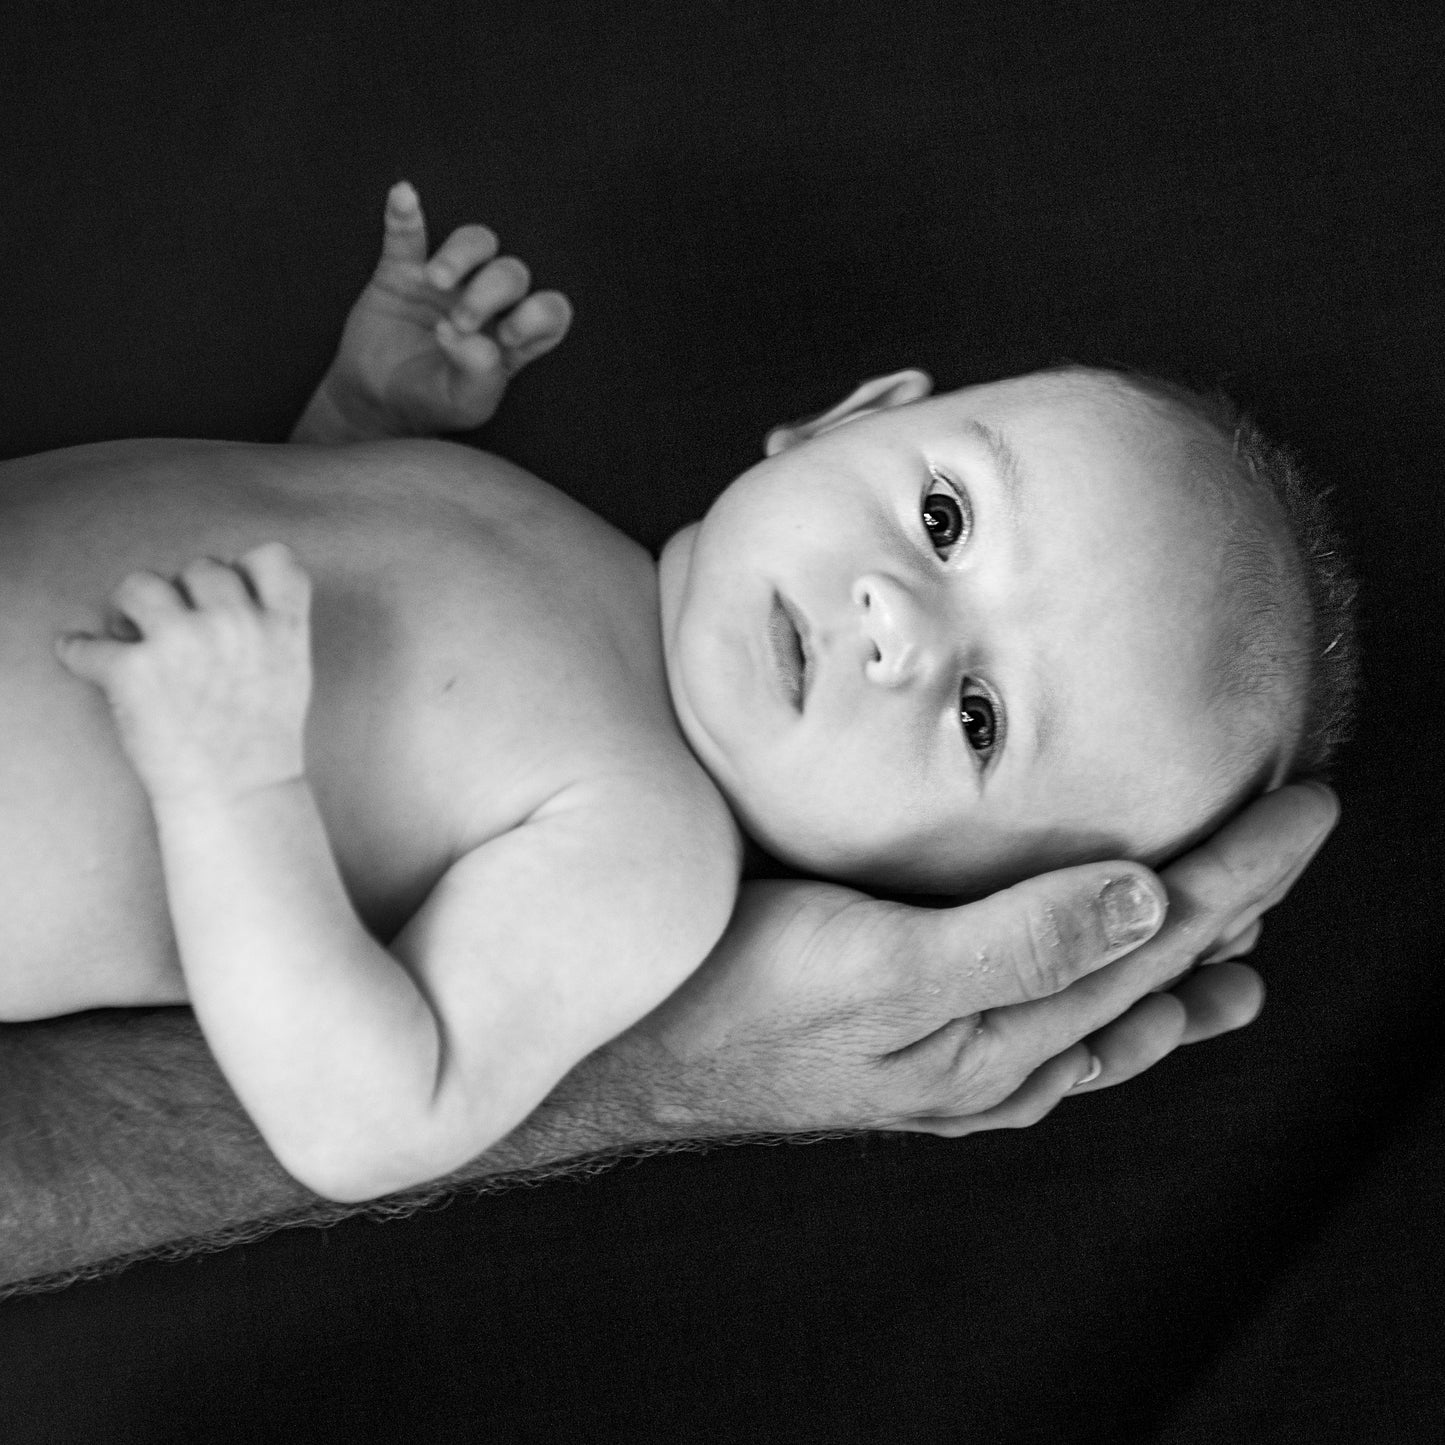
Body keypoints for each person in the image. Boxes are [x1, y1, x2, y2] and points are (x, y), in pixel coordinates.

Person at [0, 184, 1350, 1220]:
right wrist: (358, 424)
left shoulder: (650, 853)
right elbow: (311, 606)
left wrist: (228, 778)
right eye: (943, 516)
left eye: (982, 717)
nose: (898, 625)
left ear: (947, 890)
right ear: (839, 421)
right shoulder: (568, 541)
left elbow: (369, 1116)